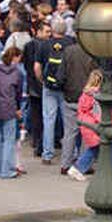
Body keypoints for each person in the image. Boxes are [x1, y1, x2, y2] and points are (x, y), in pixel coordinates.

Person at [69, 70, 112, 180]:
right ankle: (77, 168)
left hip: (90, 128)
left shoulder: (87, 95)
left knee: (104, 149)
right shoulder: (96, 97)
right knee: (98, 149)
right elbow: (102, 114)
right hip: (95, 129)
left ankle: (111, 172)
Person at [57, 34, 98, 176]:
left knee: (70, 133)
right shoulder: (93, 53)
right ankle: (83, 165)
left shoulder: (68, 51)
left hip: (70, 96)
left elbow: (60, 75)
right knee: (87, 133)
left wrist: (64, 88)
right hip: (87, 98)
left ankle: (65, 164)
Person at [36, 18, 74, 165]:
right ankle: (70, 153)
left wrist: (43, 81)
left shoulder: (44, 44)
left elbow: (37, 67)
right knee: (68, 121)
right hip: (66, 87)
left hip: (49, 86)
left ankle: (47, 154)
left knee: (48, 119)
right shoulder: (71, 44)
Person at [0, 45, 27, 179]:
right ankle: (6, 170)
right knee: (9, 140)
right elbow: (18, 94)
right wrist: (18, 110)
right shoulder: (18, 73)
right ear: (15, 57)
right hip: (10, 108)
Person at [23, 20, 50, 156]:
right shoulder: (46, 47)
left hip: (32, 85)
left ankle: (36, 140)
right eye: (47, 31)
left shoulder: (29, 46)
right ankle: (41, 142)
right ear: (38, 31)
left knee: (36, 115)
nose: (49, 34)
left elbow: (27, 65)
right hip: (41, 85)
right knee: (44, 117)